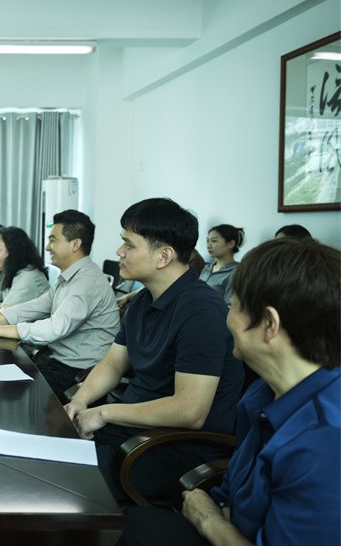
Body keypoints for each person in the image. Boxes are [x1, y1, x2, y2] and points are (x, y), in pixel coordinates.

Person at [72, 237, 340, 546]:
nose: (226, 316)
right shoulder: (262, 393)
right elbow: (231, 495)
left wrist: (207, 521)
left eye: (234, 306)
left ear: (269, 325)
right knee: (136, 528)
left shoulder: (325, 441)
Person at [64, 198, 244, 505]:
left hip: (170, 447)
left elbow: (190, 411)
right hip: (131, 431)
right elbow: (113, 363)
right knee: (46, 460)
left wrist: (104, 413)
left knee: (61, 483)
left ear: (164, 256)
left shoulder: (201, 311)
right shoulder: (143, 300)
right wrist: (81, 400)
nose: (119, 252)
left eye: (128, 245)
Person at [0, 210, 120, 399]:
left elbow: (54, 328)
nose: (48, 247)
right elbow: (33, 307)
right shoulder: (69, 278)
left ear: (75, 244)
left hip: (78, 373)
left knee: (6, 389)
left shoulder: (86, 282)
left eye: (53, 240)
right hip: (58, 362)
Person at [199, 223, 244, 304]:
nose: (208, 246)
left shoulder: (236, 272)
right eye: (207, 241)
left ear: (231, 244)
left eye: (214, 241)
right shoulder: (206, 268)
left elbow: (229, 306)